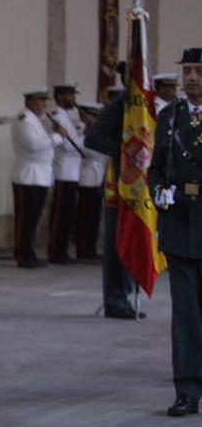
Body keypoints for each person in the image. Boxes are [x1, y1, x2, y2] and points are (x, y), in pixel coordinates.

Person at [148, 47, 202, 416]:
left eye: (199, 71)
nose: (192, 78)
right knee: (185, 315)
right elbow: (155, 170)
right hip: (181, 227)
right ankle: (187, 388)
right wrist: (158, 193)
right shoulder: (169, 117)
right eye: (188, 71)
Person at [85, 83, 144, 318]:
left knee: (135, 241)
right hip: (119, 184)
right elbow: (93, 139)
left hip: (140, 185)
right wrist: (124, 150)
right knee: (116, 243)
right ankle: (114, 299)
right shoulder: (119, 105)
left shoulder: (145, 105)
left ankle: (125, 294)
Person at [10, 89, 60, 268]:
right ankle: (22, 253)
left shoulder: (35, 121)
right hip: (27, 176)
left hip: (39, 176)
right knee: (25, 219)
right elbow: (34, 145)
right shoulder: (23, 120)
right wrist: (57, 137)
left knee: (34, 219)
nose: (44, 105)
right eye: (41, 101)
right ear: (30, 102)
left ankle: (28, 251)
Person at [47, 83, 85, 264]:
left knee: (68, 215)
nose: (73, 99)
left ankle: (62, 250)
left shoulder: (66, 117)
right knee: (60, 215)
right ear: (61, 96)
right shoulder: (57, 116)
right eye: (70, 95)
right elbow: (68, 145)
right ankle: (55, 250)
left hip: (72, 172)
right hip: (63, 171)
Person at [75, 102, 108, 261]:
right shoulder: (82, 132)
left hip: (98, 176)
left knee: (94, 216)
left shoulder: (97, 134)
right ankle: (82, 248)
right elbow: (87, 151)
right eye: (93, 116)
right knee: (85, 216)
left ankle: (91, 248)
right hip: (87, 176)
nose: (95, 120)